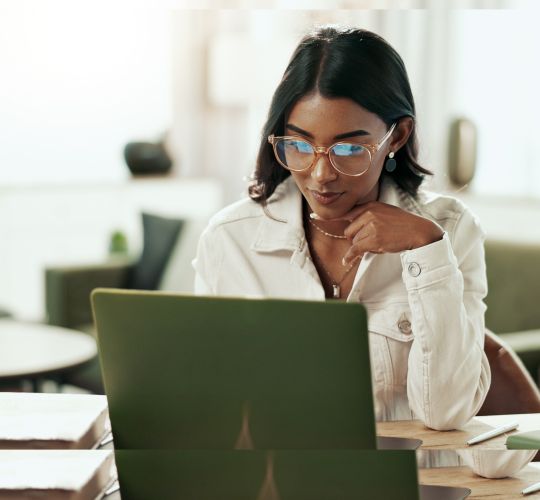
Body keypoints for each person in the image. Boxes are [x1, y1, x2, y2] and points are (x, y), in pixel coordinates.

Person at [193, 25, 534, 474]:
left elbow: (446, 413)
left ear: (396, 136)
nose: (320, 175)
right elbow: (209, 405)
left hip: (419, 488)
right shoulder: (231, 239)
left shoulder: (451, 230)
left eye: (349, 148)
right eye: (298, 145)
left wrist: (427, 250)